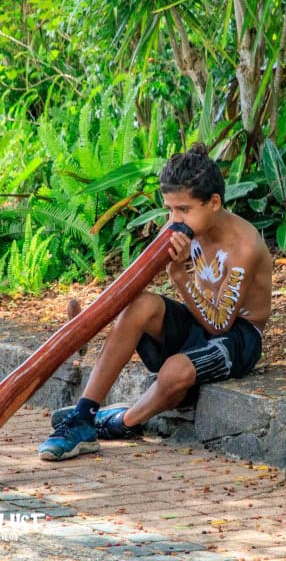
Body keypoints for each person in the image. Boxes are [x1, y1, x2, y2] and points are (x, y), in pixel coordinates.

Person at [38, 143, 272, 460]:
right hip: (199, 319)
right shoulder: (182, 227)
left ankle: (120, 422)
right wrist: (90, 324)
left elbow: (220, 324)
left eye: (183, 210)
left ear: (214, 202)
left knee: (175, 372)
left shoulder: (244, 246)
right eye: (170, 210)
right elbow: (132, 284)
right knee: (140, 305)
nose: (174, 219)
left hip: (237, 335)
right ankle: (83, 415)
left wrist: (178, 275)